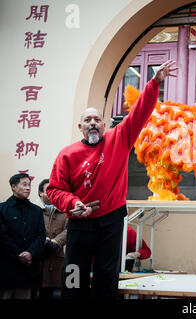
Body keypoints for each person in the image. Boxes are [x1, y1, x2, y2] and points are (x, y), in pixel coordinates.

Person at [46, 60, 177, 299]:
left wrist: (155, 82)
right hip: (79, 223)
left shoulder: (119, 139)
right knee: (74, 274)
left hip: (111, 222)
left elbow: (139, 113)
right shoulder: (67, 154)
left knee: (107, 276)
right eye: (88, 121)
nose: (93, 123)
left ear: (104, 125)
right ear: (80, 127)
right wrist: (73, 203)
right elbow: (55, 189)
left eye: (97, 120)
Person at [0, 173, 46, 299]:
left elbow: (41, 235)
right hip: (7, 268)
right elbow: (2, 237)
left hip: (28, 269)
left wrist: (30, 253)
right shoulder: (2, 209)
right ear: (13, 187)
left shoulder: (36, 210)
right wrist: (19, 254)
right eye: (24, 184)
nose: (28, 188)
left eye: (29, 185)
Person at [37, 178, 67, 300]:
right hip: (37, 257)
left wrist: (55, 241)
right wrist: (43, 240)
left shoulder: (65, 211)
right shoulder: (34, 209)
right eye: (49, 190)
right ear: (40, 193)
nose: (53, 193)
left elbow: (68, 230)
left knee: (53, 291)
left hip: (57, 258)